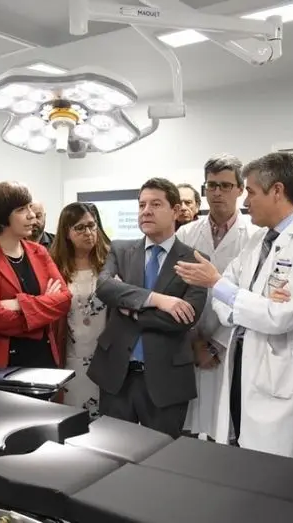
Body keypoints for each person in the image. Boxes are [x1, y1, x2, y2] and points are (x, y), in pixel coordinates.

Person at [174, 152, 293, 461]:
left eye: (250, 192)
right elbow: (228, 294)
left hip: (282, 373)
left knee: (281, 470)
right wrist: (249, 302)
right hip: (242, 364)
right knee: (239, 458)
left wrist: (227, 291)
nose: (246, 201)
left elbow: (281, 317)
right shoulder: (260, 239)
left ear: (276, 191)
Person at [87, 178, 208, 438]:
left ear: (176, 210)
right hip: (117, 375)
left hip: (166, 379)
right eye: (142, 205)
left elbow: (184, 318)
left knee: (162, 454)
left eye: (155, 204)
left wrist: (130, 308)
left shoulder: (195, 261)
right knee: (112, 450)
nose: (146, 211)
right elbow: (105, 287)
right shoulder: (120, 249)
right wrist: (157, 300)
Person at [176, 154, 258, 439]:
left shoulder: (255, 236)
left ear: (240, 189)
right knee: (186, 426)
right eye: (211, 185)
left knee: (224, 428)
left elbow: (251, 297)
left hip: (230, 343)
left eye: (225, 185)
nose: (217, 192)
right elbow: (175, 291)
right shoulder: (186, 234)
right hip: (191, 339)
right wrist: (195, 341)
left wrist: (215, 345)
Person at [0, 182, 71, 368]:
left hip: (42, 355)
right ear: (1, 218)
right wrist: (44, 308)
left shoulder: (39, 252)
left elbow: (64, 300)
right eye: (21, 209)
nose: (31, 215)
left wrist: (19, 304)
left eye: (30, 207)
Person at [50, 202, 111, 418]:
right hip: (71, 357)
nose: (88, 233)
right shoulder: (54, 267)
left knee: (107, 421)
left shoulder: (110, 262)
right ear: (66, 233)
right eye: (80, 228)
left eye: (92, 226)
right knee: (74, 418)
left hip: (106, 356)